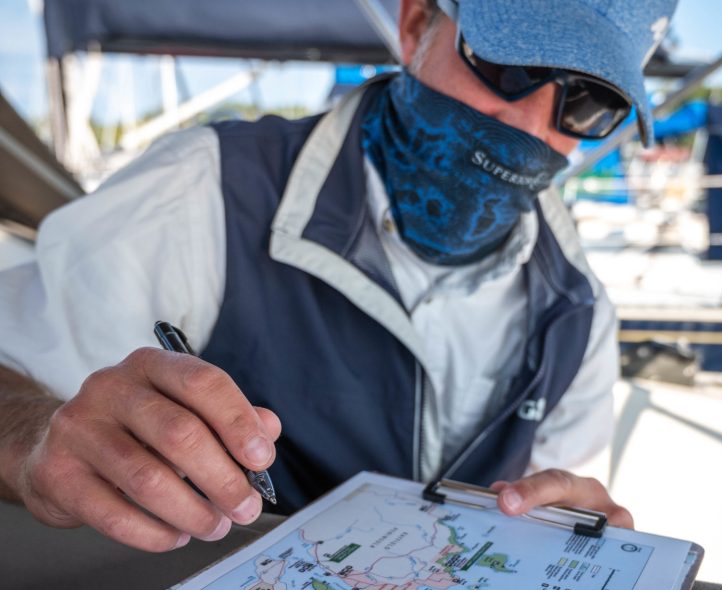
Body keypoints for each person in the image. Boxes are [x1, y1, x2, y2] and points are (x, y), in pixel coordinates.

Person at [0, 0, 675, 552]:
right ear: (416, 26)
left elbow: (544, 509)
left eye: (588, 103)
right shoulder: (205, 190)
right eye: (510, 63)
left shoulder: (580, 312)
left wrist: (569, 530)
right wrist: (36, 444)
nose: (529, 123)